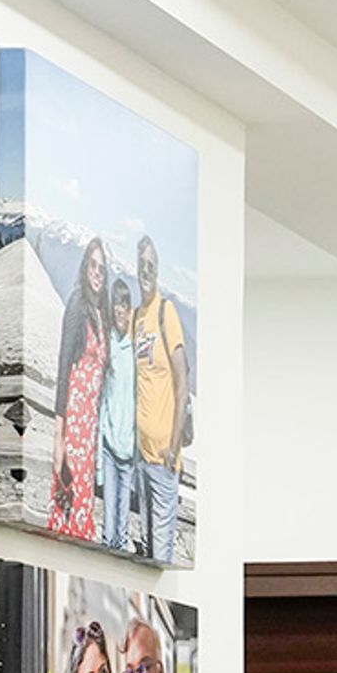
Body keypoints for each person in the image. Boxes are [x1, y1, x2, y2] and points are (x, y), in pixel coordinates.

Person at [128, 233, 194, 568]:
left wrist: (173, 447)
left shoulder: (166, 313)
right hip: (141, 457)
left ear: (159, 269)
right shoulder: (137, 318)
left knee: (161, 559)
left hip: (165, 461)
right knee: (147, 552)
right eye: (141, 264)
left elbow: (182, 381)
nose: (146, 270)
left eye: (151, 264)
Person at [46, 238, 111, 544]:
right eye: (93, 265)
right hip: (73, 420)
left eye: (102, 268)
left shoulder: (102, 314)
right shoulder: (76, 304)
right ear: (85, 267)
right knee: (66, 492)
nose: (97, 273)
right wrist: (58, 436)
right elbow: (63, 367)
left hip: (91, 427)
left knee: (84, 495)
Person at [97, 273, 140, 553]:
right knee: (110, 521)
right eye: (116, 303)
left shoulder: (136, 347)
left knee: (122, 523)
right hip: (110, 442)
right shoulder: (108, 343)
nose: (120, 309)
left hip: (130, 446)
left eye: (124, 303)